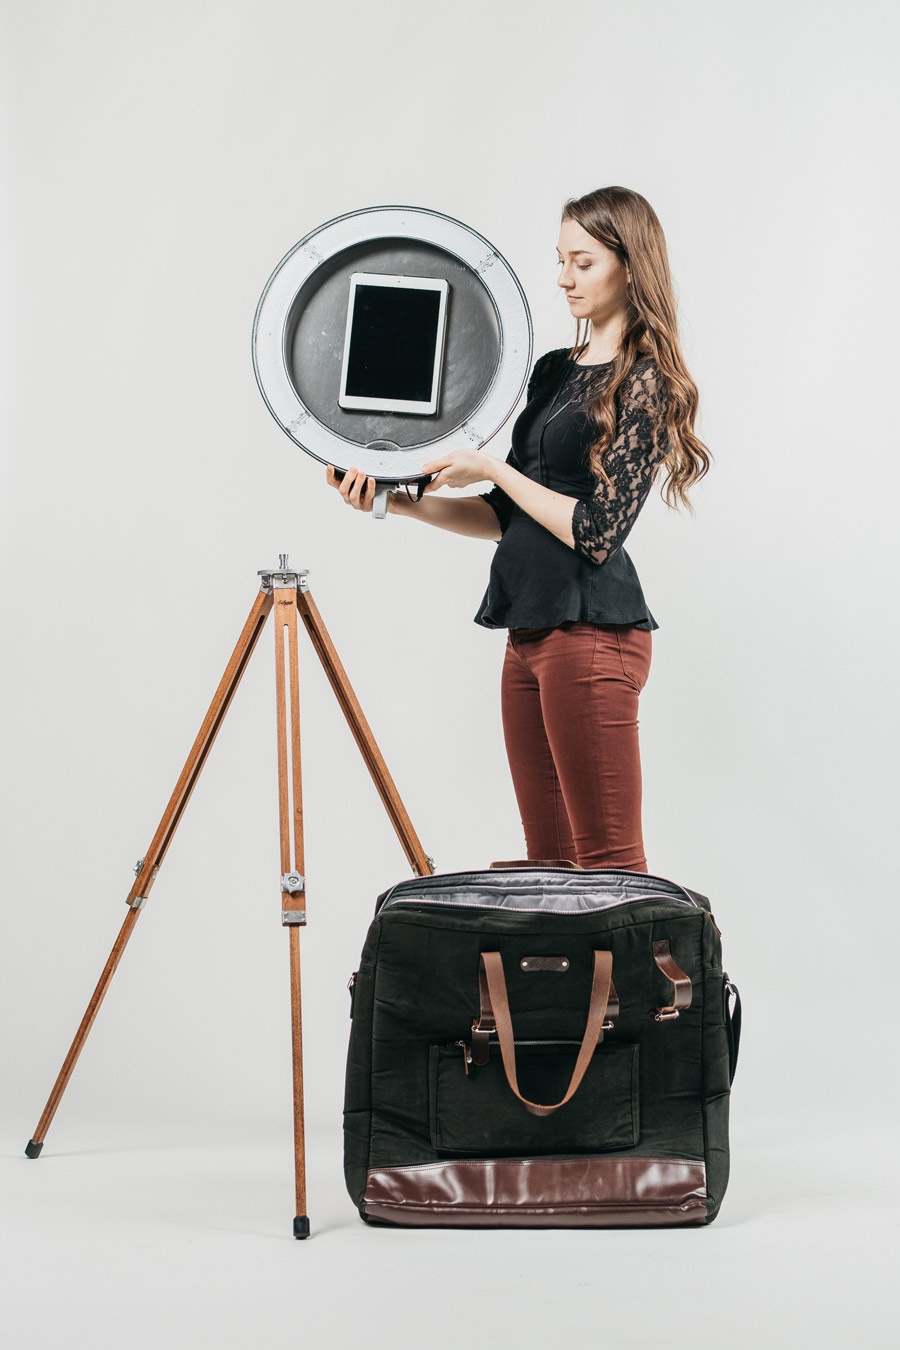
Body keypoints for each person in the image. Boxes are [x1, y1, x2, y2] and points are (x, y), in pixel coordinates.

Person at [326, 186, 710, 873]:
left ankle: (640, 985)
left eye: (583, 262)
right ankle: (568, 988)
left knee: (609, 869)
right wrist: (395, 501)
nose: (563, 278)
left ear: (629, 266)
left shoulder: (647, 382)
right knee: (549, 868)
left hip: (593, 634)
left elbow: (597, 532)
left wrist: (494, 472)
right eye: (560, 260)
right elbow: (508, 520)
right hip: (529, 633)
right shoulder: (553, 372)